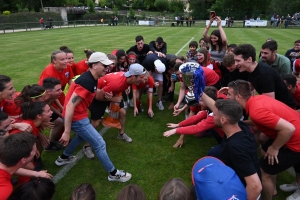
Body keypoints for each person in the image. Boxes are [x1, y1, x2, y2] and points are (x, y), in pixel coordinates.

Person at [56, 52, 132, 182]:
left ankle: (63, 158)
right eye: (105, 65)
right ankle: (113, 174)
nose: (108, 68)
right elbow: (69, 106)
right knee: (100, 144)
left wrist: (105, 95)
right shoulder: (87, 81)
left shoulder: (92, 78)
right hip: (77, 118)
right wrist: (67, 131)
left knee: (81, 137)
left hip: (80, 116)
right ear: (95, 65)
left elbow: (91, 92)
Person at [224, 80, 300, 200]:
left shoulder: (256, 111)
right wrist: (241, 122)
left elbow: (288, 129)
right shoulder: (257, 100)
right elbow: (261, 120)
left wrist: (274, 148)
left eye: (228, 94)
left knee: (262, 172)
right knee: (264, 151)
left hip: (295, 142)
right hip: (293, 132)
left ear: (238, 97)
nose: (226, 97)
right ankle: (277, 187)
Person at [199, 92, 262, 200]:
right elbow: (215, 106)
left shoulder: (235, 148)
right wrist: (200, 92)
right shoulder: (240, 125)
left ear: (223, 120)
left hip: (241, 190)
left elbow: (255, 186)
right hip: (235, 176)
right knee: (213, 152)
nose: (212, 116)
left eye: (214, 115)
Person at [233, 44, 296, 108]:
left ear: (249, 59)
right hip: (278, 108)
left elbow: (269, 102)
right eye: (235, 60)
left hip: (286, 109)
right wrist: (232, 90)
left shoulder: (264, 75)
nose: (235, 64)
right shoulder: (249, 70)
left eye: (238, 61)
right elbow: (250, 87)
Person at [0, 132, 37, 199]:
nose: (35, 152)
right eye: (34, 151)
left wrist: (36, 174)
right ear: (23, 160)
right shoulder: (5, 188)